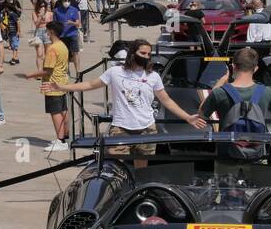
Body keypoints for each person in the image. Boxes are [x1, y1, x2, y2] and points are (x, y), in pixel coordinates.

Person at [51, 38, 207, 167]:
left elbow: (166, 100)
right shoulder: (115, 72)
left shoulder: (153, 76)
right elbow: (91, 84)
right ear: (133, 53)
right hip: (121, 129)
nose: (146, 56)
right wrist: (63, 87)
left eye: (148, 54)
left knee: (141, 170)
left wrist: (188, 117)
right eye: (142, 53)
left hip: (147, 130)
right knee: (116, 168)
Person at [199, 46, 271, 130]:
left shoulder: (219, 93)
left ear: (233, 67)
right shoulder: (267, 92)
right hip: (257, 142)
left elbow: (201, 115)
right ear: (255, 69)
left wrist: (221, 81)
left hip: (227, 142)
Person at [21, 20, 71, 151]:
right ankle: (65, 136)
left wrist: (30, 75)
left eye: (47, 31)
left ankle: (60, 141)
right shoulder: (62, 45)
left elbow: (47, 70)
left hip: (52, 84)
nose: (46, 33)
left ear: (52, 31)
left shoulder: (53, 48)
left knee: (55, 112)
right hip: (62, 82)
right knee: (63, 110)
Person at [52, 0, 82, 77]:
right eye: (65, 0)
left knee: (75, 52)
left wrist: (71, 23)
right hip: (61, 36)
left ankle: (78, 71)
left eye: (68, 0)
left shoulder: (74, 10)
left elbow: (78, 23)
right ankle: (66, 71)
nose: (67, 2)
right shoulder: (56, 11)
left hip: (72, 34)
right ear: (61, 1)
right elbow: (54, 24)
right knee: (64, 54)